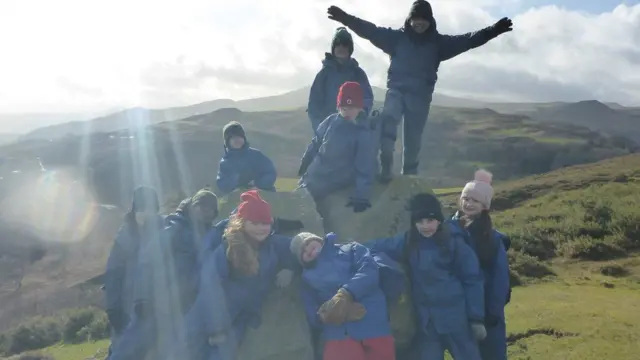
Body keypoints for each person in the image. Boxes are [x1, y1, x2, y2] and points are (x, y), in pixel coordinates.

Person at [326, 1, 513, 182]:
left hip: (420, 98)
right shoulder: (396, 39)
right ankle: (386, 164)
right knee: (389, 120)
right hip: (396, 90)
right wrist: (346, 19)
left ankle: (410, 177)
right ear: (410, 19)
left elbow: (468, 40)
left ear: (430, 21)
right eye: (416, 18)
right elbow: (370, 30)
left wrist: (494, 30)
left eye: (424, 19)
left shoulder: (439, 44)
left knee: (413, 140)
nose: (419, 22)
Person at [365, 193, 486, 360]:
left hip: (456, 319)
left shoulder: (454, 242)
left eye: (430, 220)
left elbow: (472, 279)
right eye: (419, 222)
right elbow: (381, 245)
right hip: (427, 323)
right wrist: (352, 248)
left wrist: (476, 318)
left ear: (439, 220)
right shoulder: (409, 241)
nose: (425, 226)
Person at [180, 190, 297, 360]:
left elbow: (303, 249)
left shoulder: (272, 245)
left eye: (265, 223)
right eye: (254, 223)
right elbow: (210, 287)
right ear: (242, 223)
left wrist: (291, 268)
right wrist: (216, 327)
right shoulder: (229, 247)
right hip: (205, 316)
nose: (261, 228)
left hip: (238, 318)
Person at [109, 188, 220, 360]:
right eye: (201, 206)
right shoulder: (172, 228)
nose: (205, 211)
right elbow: (141, 263)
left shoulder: (208, 235)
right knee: (127, 349)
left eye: (210, 209)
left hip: (182, 307)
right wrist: (138, 300)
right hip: (150, 303)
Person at [290, 231, 395, 360]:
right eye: (303, 252)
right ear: (302, 261)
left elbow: (370, 271)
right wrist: (327, 315)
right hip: (338, 335)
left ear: (318, 239)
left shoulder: (352, 249)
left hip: (374, 324)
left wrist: (346, 293)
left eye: (308, 243)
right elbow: (312, 311)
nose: (309, 250)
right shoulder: (306, 279)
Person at [448, 170, 510, 360]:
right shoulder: (447, 230)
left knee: (492, 354)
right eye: (465, 198)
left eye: (475, 201)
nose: (468, 203)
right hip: (458, 307)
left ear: (485, 206)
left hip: (487, 309)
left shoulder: (492, 239)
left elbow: (500, 278)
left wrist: (493, 311)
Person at [104, 186, 163, 358]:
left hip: (157, 308)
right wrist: (113, 308)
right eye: (142, 208)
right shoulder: (125, 237)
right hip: (127, 309)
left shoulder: (166, 231)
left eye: (150, 208)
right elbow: (113, 274)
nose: (146, 213)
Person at [298, 81, 375, 213]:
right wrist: (306, 161)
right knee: (299, 197)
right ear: (338, 107)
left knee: (304, 204)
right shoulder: (330, 122)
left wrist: (361, 196)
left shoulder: (362, 132)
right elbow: (316, 142)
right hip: (315, 175)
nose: (347, 112)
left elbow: (364, 165)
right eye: (343, 108)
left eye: (351, 108)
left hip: (337, 178)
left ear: (359, 108)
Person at [307, 27, 374, 133]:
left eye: (345, 44)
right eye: (337, 44)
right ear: (333, 48)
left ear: (350, 48)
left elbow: (367, 99)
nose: (341, 47)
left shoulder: (358, 74)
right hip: (329, 133)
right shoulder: (324, 75)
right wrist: (321, 130)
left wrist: (360, 117)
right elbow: (314, 105)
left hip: (354, 131)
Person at [216, 121, 277, 195]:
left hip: (262, 194)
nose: (237, 140)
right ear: (227, 142)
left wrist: (258, 184)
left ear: (244, 138)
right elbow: (222, 184)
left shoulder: (256, 155)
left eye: (239, 136)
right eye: (233, 138)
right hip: (238, 197)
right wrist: (235, 182)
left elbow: (270, 173)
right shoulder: (225, 163)